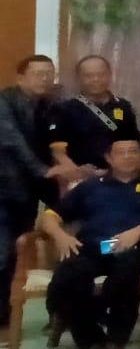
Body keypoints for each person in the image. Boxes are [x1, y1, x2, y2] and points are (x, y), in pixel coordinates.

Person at [41, 138, 140, 349]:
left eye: (133, 151)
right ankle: (90, 337)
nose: (127, 156)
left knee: (126, 275)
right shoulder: (91, 186)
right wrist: (60, 235)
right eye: (121, 152)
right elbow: (50, 216)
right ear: (109, 158)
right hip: (91, 248)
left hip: (130, 248)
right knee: (68, 275)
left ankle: (116, 338)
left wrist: (138, 231)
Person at [0, 55, 72, 318]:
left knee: (17, 250)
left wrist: (67, 168)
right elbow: (12, 141)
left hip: (29, 191)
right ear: (20, 78)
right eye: (37, 73)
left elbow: (56, 143)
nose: (44, 78)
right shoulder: (5, 101)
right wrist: (43, 170)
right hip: (4, 188)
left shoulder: (49, 105)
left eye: (49, 73)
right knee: (2, 251)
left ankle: (6, 312)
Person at [45, 55, 139, 174]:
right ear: (78, 78)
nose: (96, 79)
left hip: (119, 175)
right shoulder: (64, 109)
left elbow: (135, 143)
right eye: (88, 76)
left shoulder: (123, 106)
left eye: (101, 74)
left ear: (110, 75)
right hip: (83, 175)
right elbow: (57, 151)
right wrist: (76, 171)